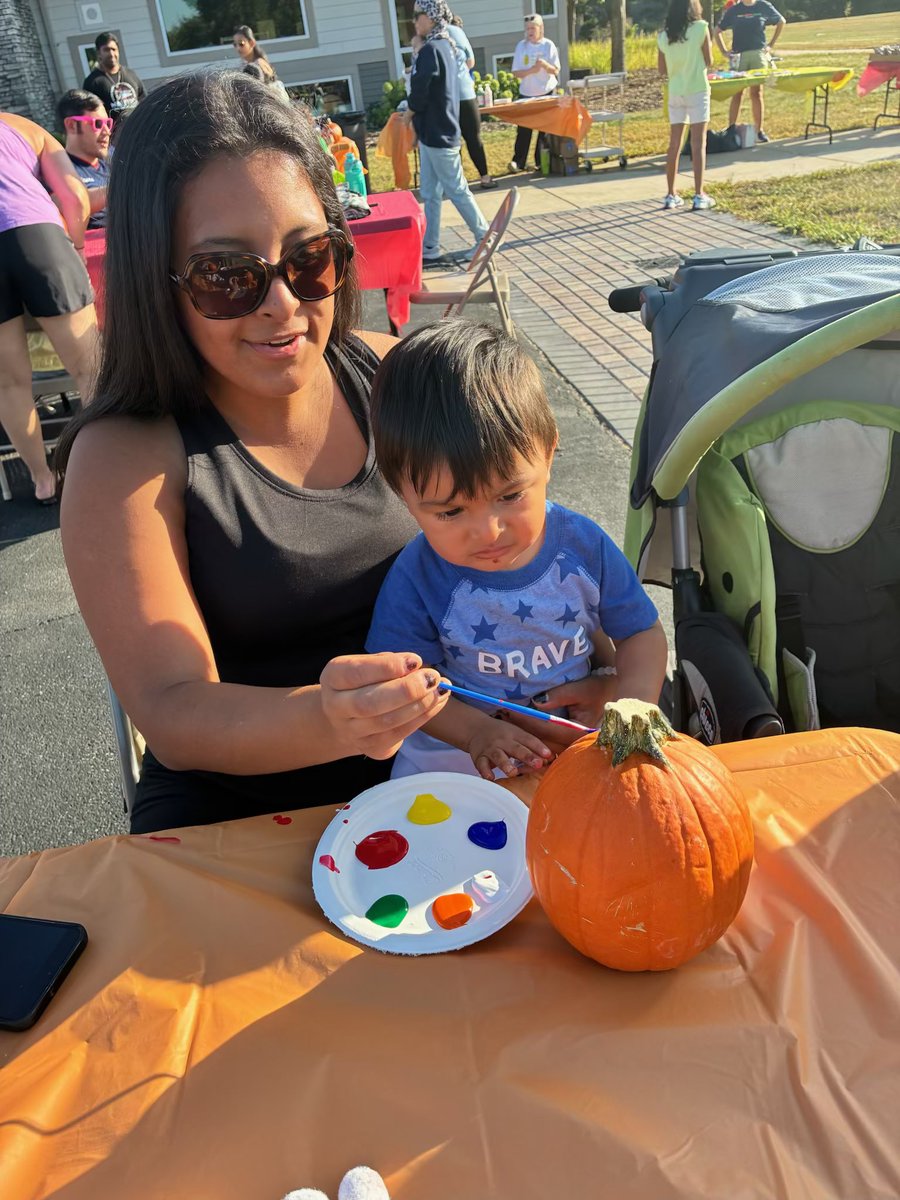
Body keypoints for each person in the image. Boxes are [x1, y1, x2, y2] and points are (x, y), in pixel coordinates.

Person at [55, 71, 451, 833]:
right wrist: (333, 722)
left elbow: (506, 533)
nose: (284, 305)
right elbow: (173, 709)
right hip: (241, 826)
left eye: (310, 258)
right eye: (227, 276)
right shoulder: (125, 457)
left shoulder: (389, 373)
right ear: (156, 281)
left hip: (438, 786)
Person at [366, 321, 669, 781]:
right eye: (450, 513)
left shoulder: (583, 547)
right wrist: (474, 733)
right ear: (403, 496)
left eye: (510, 497)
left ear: (548, 454)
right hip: (457, 748)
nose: (489, 532)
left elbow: (640, 634)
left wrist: (631, 703)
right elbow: (407, 684)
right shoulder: (419, 575)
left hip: (574, 733)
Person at [0, 111, 98, 503]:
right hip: (35, 231)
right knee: (89, 366)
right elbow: (74, 197)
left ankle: (43, 479)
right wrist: (74, 243)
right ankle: (100, 463)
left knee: (8, 383)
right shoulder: (24, 127)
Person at [403, 0, 489, 264]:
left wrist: (409, 113)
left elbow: (420, 88)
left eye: (419, 15)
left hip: (439, 133)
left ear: (431, 16)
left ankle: (484, 237)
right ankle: (430, 246)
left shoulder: (432, 49)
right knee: (430, 192)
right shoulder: (445, 46)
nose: (415, 20)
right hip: (433, 133)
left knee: (456, 188)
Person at [658, 0, 715, 210]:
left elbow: (661, 69)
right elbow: (709, 60)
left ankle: (671, 194)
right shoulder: (701, 27)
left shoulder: (664, 36)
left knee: (674, 144)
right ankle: (699, 194)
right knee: (698, 143)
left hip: (675, 90)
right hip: (697, 88)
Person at [714, 0, 786, 141]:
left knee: (756, 93)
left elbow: (781, 21)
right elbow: (717, 31)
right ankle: (732, 130)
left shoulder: (763, 6)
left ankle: (759, 130)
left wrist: (770, 45)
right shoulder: (734, 9)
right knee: (737, 93)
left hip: (757, 53)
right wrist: (724, 51)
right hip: (739, 55)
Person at [447, 14, 495, 189]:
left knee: (453, 142)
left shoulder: (434, 34)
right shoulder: (458, 32)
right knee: (474, 138)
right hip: (465, 94)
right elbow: (471, 61)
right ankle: (485, 177)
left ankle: (457, 182)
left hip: (446, 97)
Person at [509, 13, 560, 173]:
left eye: (533, 28)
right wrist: (532, 70)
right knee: (524, 129)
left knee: (544, 130)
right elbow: (516, 73)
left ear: (541, 29)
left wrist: (545, 66)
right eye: (527, 29)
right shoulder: (521, 46)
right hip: (527, 93)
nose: (529, 32)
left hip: (546, 91)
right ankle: (518, 162)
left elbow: (556, 70)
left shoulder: (548, 46)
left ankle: (541, 162)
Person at [57, 90, 112, 228]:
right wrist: (125, 186)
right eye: (98, 124)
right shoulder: (56, 168)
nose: (107, 131)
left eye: (108, 123)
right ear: (71, 125)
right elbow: (71, 204)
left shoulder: (114, 159)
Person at [82, 32, 144, 128]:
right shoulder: (92, 82)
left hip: (138, 130)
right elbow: (91, 116)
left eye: (114, 49)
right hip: (114, 137)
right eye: (106, 50)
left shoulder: (131, 75)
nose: (111, 54)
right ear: (99, 53)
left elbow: (144, 101)